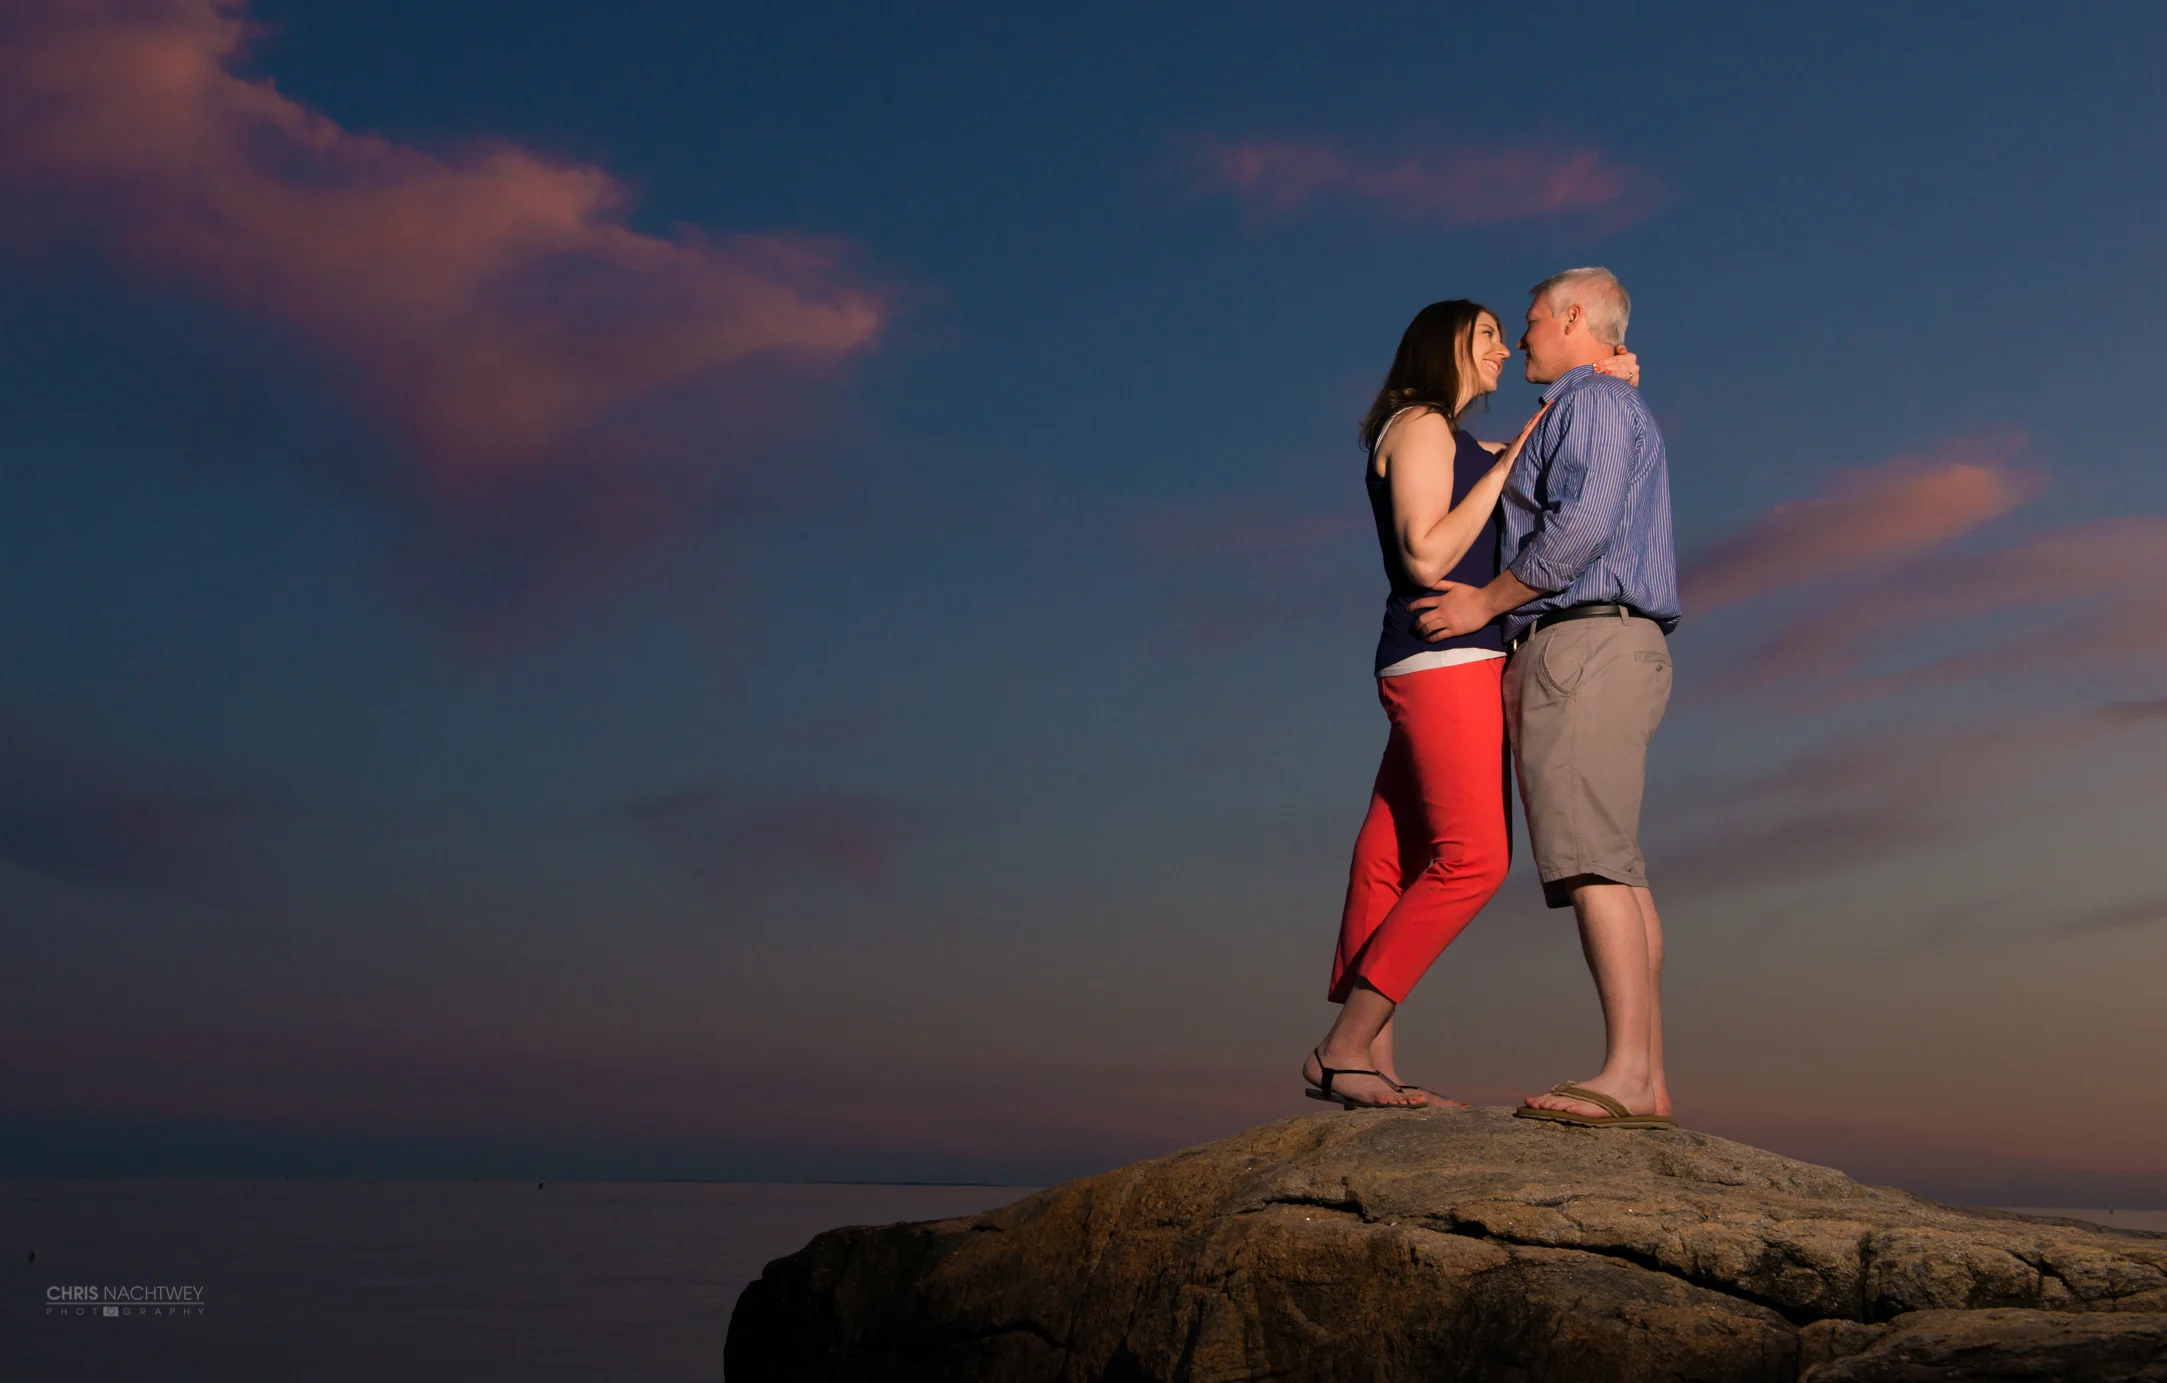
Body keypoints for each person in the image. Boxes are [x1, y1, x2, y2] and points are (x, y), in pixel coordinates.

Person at [1303, 299, 1637, 1110]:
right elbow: (1424, 552)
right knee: (1475, 858)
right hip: (1443, 660)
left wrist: (1601, 375)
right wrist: (1494, 469)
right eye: (1488, 332)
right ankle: (1344, 1045)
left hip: (1440, 662)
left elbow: (1530, 453)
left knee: (1389, 852)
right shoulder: (1417, 424)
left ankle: (1365, 1063)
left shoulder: (1446, 437)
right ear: (1446, 342)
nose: (1506, 345)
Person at [1410, 267, 1680, 1128]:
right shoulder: (1589, 401)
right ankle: (1644, 1073)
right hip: (1606, 644)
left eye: (1528, 321)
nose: (1521, 337)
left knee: (1594, 860)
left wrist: (1483, 603)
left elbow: (1582, 526)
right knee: (1617, 864)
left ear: (1571, 318)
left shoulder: (1593, 406)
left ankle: (1630, 1074)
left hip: (1584, 642)